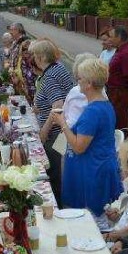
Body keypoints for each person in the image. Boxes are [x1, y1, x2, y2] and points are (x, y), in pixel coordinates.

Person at [49, 58, 122, 217]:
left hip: (91, 173)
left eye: (80, 78)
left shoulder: (92, 112)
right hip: (96, 167)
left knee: (87, 221)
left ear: (89, 84)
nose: (78, 81)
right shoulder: (104, 105)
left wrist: (62, 123)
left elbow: (78, 147)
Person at [31, 39, 74, 204]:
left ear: (41, 57)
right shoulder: (59, 67)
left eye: (35, 55)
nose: (34, 58)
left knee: (54, 174)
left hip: (55, 134)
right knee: (58, 173)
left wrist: (44, 131)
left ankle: (56, 209)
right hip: (63, 132)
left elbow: (57, 106)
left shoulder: (49, 76)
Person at [107, 26, 128, 130]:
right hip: (115, 93)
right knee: (117, 120)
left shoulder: (125, 53)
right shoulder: (120, 50)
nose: (109, 39)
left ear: (119, 38)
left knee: (121, 122)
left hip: (120, 94)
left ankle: (124, 143)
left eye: (111, 37)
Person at [7, 23, 36, 102]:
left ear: (18, 30)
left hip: (24, 80)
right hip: (16, 78)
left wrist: (18, 77)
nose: (10, 32)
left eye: (12, 30)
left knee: (28, 102)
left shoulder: (25, 42)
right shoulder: (15, 42)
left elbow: (28, 63)